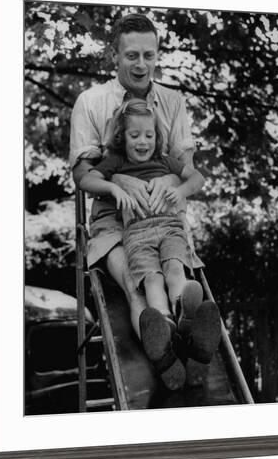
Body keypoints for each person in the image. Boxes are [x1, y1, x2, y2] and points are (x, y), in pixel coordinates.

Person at [79, 98, 221, 390]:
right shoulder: (117, 162)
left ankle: (185, 313)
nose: (142, 141)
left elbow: (197, 178)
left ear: (158, 138)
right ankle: (165, 326)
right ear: (122, 138)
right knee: (151, 280)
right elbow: (87, 180)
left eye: (149, 135)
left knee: (173, 268)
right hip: (137, 234)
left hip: (169, 228)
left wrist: (180, 191)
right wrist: (113, 186)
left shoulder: (165, 161)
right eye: (134, 135)